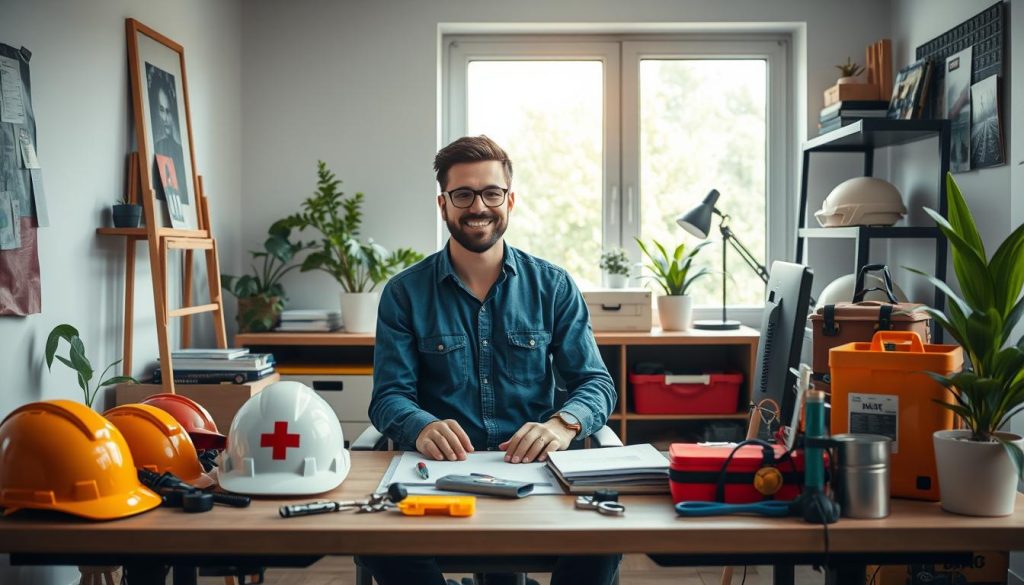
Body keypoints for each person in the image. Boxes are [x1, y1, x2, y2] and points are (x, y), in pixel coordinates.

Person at [362, 136, 620, 585]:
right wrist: (420, 425)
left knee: (602, 543)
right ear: (443, 204)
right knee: (381, 549)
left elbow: (596, 383)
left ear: (509, 200)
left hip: (538, 476)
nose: (477, 205)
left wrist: (563, 424)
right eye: (463, 194)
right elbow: (388, 397)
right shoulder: (404, 293)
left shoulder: (554, 287)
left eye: (491, 193)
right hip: (437, 479)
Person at [147, 68, 188, 206]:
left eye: (169, 111)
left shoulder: (180, 152)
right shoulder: (154, 148)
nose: (165, 118)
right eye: (161, 110)